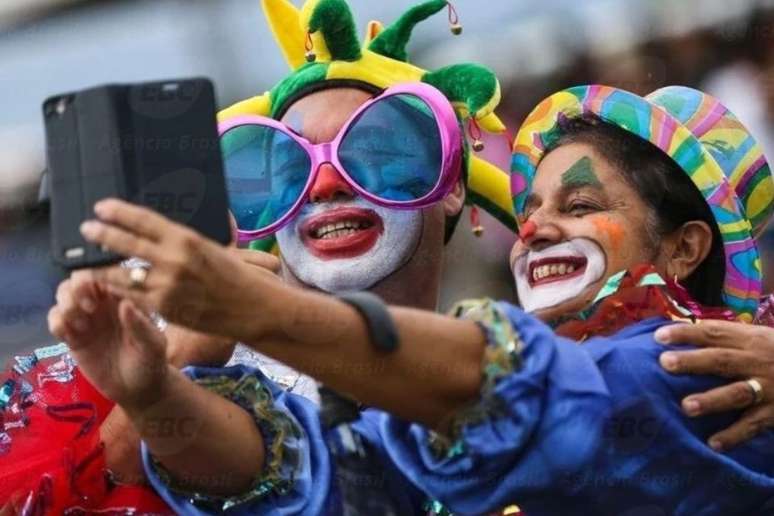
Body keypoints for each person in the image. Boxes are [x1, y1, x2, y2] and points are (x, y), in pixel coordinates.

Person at [58, 65, 774, 516]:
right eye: (531, 214)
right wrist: (153, 395)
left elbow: (510, 386)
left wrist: (256, 309)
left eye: (581, 207)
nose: (538, 232)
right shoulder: (429, 411)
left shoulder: (691, 370)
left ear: (685, 248)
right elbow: (308, 474)